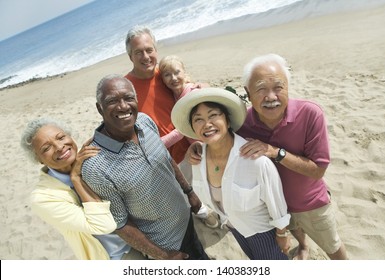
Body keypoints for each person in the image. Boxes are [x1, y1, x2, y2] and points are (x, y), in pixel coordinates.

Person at [187, 54, 348, 260]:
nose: (271, 96)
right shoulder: (242, 123)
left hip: (310, 203)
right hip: (272, 207)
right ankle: (304, 246)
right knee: (297, 235)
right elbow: (218, 136)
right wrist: (197, 147)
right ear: (248, 93)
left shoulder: (310, 113)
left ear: (288, 87)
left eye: (278, 87)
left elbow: (318, 170)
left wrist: (274, 152)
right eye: (261, 89)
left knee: (333, 247)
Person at [81, 74, 209, 260]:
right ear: (99, 108)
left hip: (187, 219)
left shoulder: (144, 121)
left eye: (128, 98)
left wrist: (189, 192)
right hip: (167, 244)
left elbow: (165, 159)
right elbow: (121, 224)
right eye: (112, 101)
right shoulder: (95, 167)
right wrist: (164, 255)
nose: (123, 106)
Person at [172, 87, 291, 260]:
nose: (207, 124)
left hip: (263, 232)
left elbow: (276, 202)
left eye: (213, 115)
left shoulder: (255, 161)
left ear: (227, 121)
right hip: (235, 229)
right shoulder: (197, 160)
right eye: (198, 119)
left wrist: (282, 234)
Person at [20, 118, 131, 260]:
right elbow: (104, 225)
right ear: (39, 159)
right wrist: (76, 178)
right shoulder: (43, 198)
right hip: (118, 257)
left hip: (149, 237)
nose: (59, 147)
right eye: (46, 148)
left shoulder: (93, 156)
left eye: (61, 137)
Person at [159, 55, 219, 229]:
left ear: (184, 72)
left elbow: (182, 129)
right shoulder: (174, 96)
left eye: (177, 72)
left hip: (211, 145)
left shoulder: (191, 93)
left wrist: (159, 144)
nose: (174, 78)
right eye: (167, 75)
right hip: (200, 148)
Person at [124, 26, 189, 165]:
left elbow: (191, 90)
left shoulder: (167, 74)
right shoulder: (125, 88)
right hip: (161, 164)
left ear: (156, 51)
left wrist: (202, 86)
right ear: (130, 57)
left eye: (149, 50)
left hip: (191, 152)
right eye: (138, 52)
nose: (146, 57)